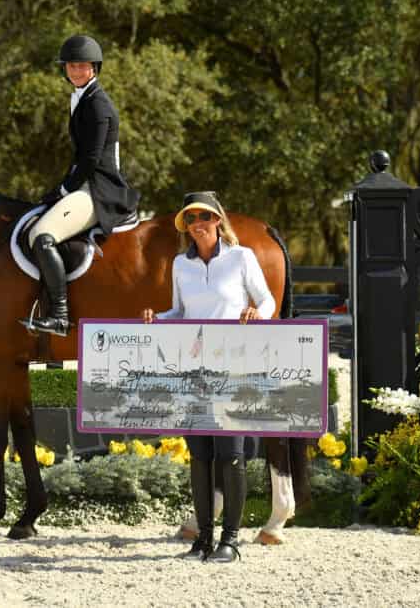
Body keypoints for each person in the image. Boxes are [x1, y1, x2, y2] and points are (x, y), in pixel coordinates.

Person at [142, 191, 275, 563]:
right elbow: (179, 311)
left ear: (218, 219)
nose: (197, 223)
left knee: (231, 455)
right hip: (194, 369)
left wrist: (255, 314)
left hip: (234, 366)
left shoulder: (241, 257)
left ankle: (230, 541)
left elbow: (267, 301)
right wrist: (159, 318)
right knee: (200, 455)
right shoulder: (180, 265)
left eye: (204, 216)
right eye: (190, 218)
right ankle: (203, 539)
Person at [20, 34, 140, 336]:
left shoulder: (98, 105)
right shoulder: (82, 98)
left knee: (42, 235)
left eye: (81, 66)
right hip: (86, 184)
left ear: (94, 68)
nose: (75, 70)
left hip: (99, 189)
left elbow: (89, 159)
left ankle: (60, 315)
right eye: (71, 66)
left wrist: (63, 190)